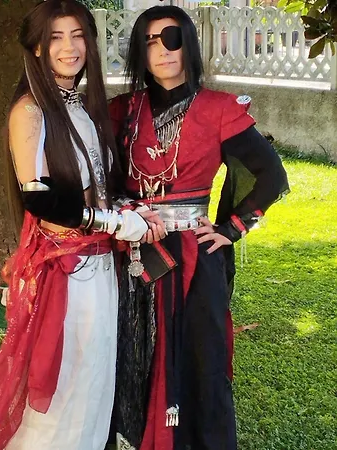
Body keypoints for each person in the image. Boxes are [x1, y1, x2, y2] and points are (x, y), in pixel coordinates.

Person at [0, 1, 164, 449]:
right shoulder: (30, 111)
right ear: (37, 47)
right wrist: (115, 223)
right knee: (65, 388)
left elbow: (99, 185)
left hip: (100, 269)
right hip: (68, 274)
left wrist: (130, 210)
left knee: (94, 383)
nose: (69, 47)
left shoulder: (84, 108)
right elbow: (40, 200)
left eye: (78, 36)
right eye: (56, 37)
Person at [109, 6, 290, 450]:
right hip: (132, 253)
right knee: (131, 352)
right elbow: (102, 179)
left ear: (188, 43)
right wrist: (125, 212)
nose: (162, 50)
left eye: (171, 38)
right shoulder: (121, 111)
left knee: (201, 357)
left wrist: (233, 227)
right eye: (150, 41)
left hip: (194, 257)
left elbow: (272, 176)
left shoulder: (219, 109)